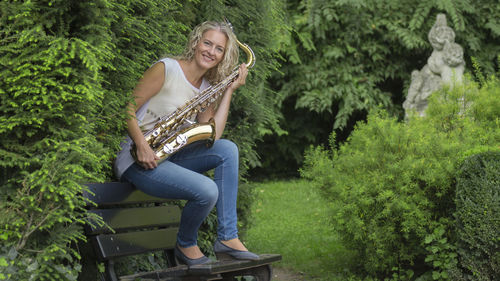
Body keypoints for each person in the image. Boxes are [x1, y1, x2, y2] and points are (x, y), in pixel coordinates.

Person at [113, 21, 259, 266]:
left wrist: (229, 91)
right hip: (137, 157)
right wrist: (141, 144)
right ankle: (186, 243)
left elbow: (213, 136)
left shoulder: (207, 88)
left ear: (224, 56)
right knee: (207, 190)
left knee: (228, 150)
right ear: (196, 42)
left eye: (219, 49)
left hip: (169, 155)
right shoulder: (166, 69)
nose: (211, 52)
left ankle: (227, 237)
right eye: (207, 43)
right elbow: (127, 107)